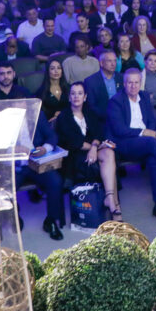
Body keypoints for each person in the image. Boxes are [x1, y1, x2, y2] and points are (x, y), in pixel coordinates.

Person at [0, 63, 66, 240]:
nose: (20, 107)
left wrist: (46, 148)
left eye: (23, 104)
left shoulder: (37, 116)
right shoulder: (4, 120)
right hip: (14, 165)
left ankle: (51, 221)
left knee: (56, 182)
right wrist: (13, 148)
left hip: (35, 163)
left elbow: (52, 136)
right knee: (5, 186)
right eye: (16, 104)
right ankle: (14, 215)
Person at [107, 68, 156, 224]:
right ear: (124, 84)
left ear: (140, 83)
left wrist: (150, 131)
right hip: (125, 144)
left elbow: (152, 121)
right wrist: (144, 132)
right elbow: (119, 130)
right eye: (130, 82)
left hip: (147, 144)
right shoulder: (116, 101)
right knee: (152, 143)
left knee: (155, 160)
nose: (133, 86)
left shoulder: (144, 96)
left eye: (136, 82)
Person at [54, 82, 121, 221]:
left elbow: (98, 133)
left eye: (80, 93)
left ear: (85, 97)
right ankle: (116, 208)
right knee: (108, 163)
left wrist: (95, 147)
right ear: (69, 97)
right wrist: (93, 148)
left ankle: (109, 198)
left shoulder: (90, 112)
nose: (76, 96)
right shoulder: (64, 117)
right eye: (73, 93)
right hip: (74, 157)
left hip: (93, 150)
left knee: (110, 154)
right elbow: (73, 142)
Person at [82, 50, 123, 123]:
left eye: (114, 61)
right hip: (101, 121)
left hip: (122, 118)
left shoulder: (121, 78)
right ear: (101, 63)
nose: (113, 64)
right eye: (109, 61)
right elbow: (91, 106)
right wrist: (109, 116)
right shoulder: (90, 81)